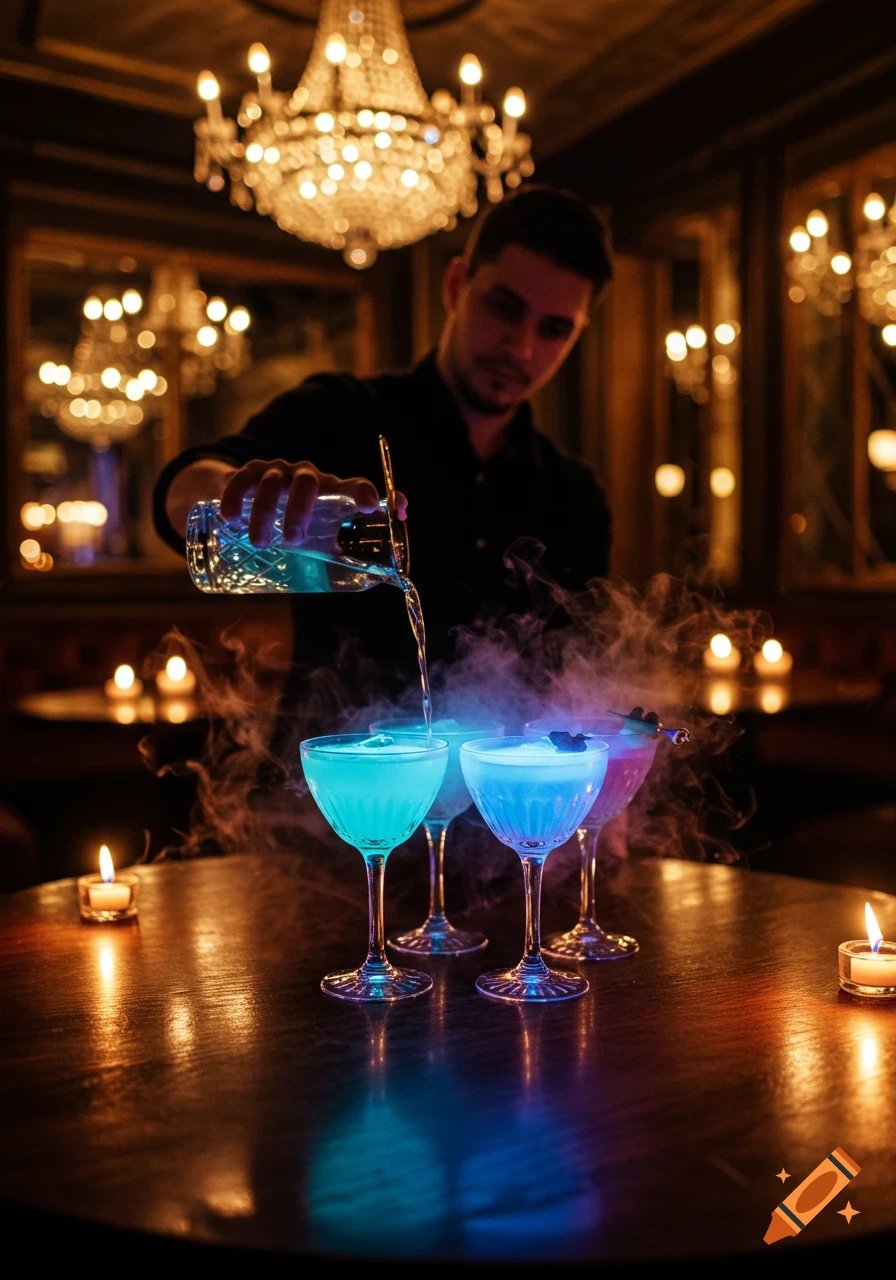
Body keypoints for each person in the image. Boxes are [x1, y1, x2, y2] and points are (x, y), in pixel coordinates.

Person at [153, 184, 613, 702]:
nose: (522, 346)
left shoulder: (575, 495)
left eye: (553, 329)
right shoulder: (340, 411)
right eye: (504, 308)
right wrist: (230, 492)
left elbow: (577, 674)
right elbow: (184, 490)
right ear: (457, 284)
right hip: (327, 773)